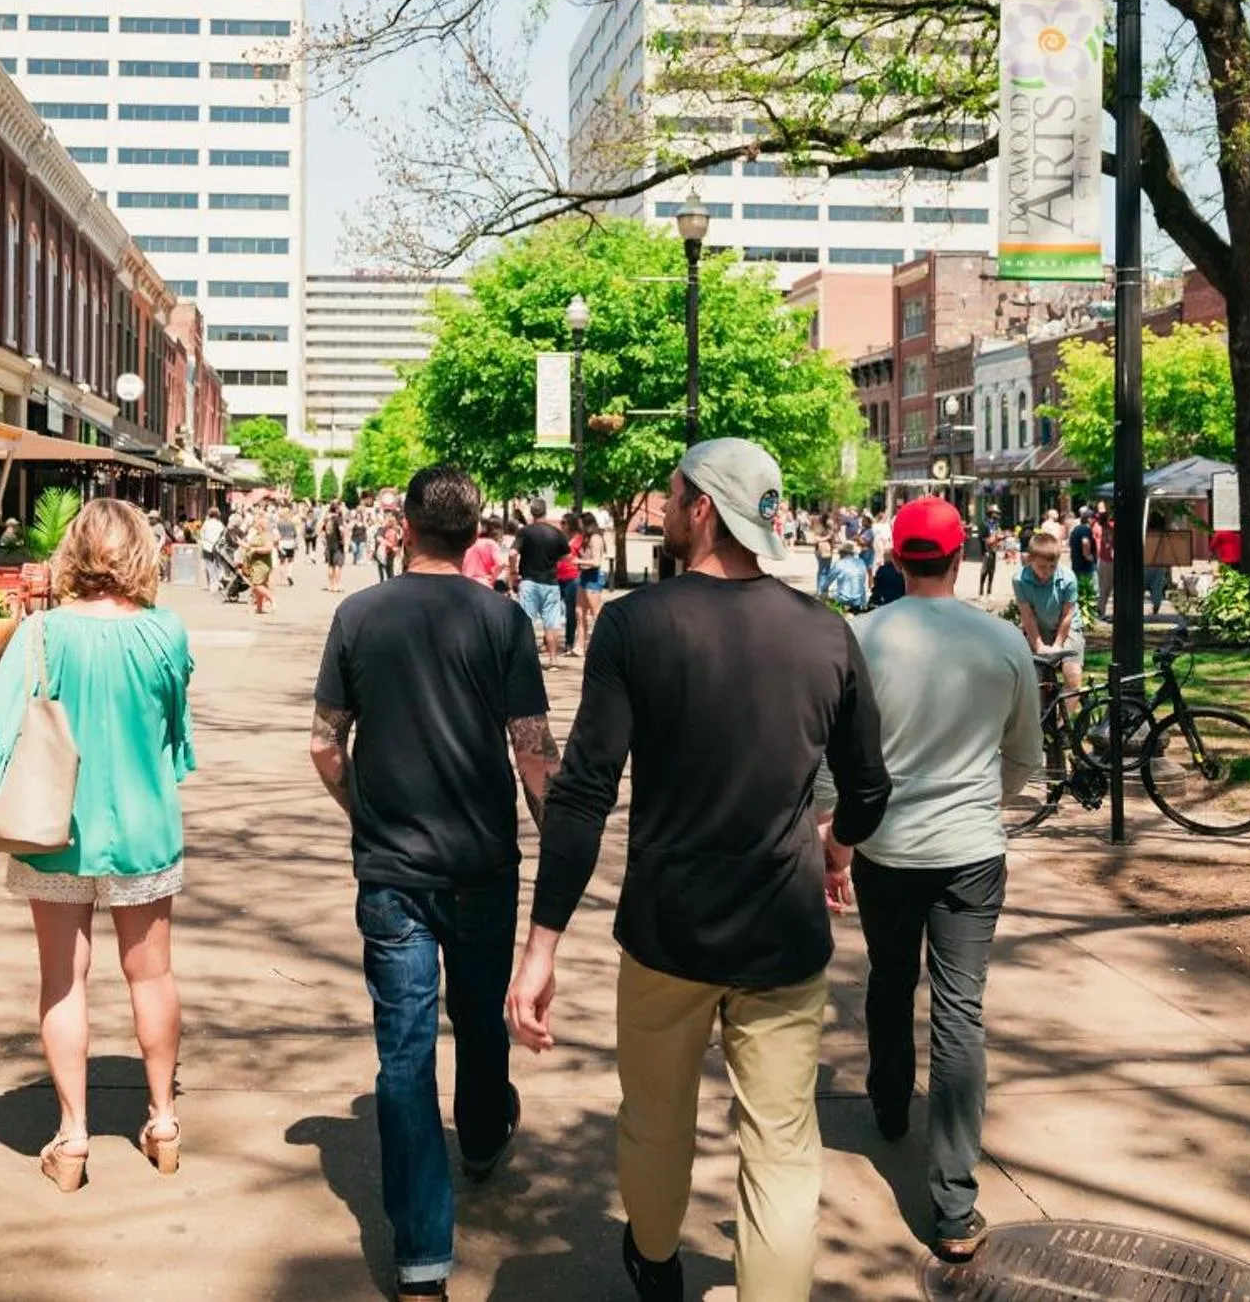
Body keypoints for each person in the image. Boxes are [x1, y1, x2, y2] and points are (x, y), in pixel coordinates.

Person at [506, 439, 891, 1302]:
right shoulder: (827, 635)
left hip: (666, 932)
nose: (668, 508)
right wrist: (838, 846)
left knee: (654, 1122)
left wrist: (541, 946)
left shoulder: (638, 625)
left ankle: (655, 1259)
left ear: (703, 509)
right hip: (783, 935)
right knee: (783, 1146)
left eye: (674, 495)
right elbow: (869, 787)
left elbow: (583, 795)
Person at [310, 465, 556, 1299]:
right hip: (483, 860)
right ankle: (483, 1136)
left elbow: (323, 745)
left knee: (403, 1055)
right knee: (480, 1018)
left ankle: (421, 1258)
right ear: (476, 533)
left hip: (391, 869)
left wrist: (358, 809)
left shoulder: (358, 615)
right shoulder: (504, 620)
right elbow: (532, 749)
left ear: (406, 527)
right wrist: (558, 842)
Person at [821, 497, 1038, 1265]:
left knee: (888, 975)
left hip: (885, 845)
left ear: (896, 558)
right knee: (961, 1009)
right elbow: (1024, 759)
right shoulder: (1004, 640)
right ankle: (953, 1202)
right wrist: (984, 803)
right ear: (960, 555)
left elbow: (835, 754)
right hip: (972, 851)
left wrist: (835, 837)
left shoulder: (860, 636)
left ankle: (887, 1102)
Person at [0, 498, 197, 1190]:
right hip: (143, 826)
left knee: (63, 980)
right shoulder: (166, 633)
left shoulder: (39, 633)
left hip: (55, 829)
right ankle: (161, 1120)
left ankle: (72, 1139)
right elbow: (174, 733)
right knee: (151, 975)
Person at [1012, 531, 1084, 701]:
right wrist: (1038, 646)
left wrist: (1058, 645)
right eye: (1042, 567)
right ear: (1030, 560)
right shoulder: (1020, 580)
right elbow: (1027, 616)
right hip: (1038, 626)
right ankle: (1041, 721)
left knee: (1073, 676)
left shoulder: (1068, 579)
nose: (1047, 572)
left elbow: (1067, 615)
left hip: (1067, 627)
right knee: (1033, 679)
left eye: (1052, 567)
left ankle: (1063, 724)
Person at [509, 499, 571, 666]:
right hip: (551, 583)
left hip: (529, 581)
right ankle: (553, 659)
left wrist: (513, 572)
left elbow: (513, 553)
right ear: (545, 512)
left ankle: (525, 659)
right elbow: (567, 557)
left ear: (532, 512)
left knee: (526, 622)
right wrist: (553, 560)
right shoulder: (556, 533)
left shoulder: (525, 532)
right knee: (551, 623)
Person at [578, 512, 611, 648]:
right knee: (579, 612)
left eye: (580, 523)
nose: (578, 525)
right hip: (585, 575)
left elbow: (596, 561)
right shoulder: (587, 538)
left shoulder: (595, 538)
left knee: (595, 613)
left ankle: (602, 643)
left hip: (593, 576)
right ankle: (580, 645)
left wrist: (577, 560)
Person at [241, 505, 279, 616]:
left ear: (261, 526)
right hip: (256, 563)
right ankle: (259, 608)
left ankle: (272, 599)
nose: (254, 525)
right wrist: (243, 545)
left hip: (261, 564)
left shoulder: (266, 535)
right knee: (259, 585)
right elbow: (251, 547)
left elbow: (268, 548)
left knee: (256, 585)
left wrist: (255, 550)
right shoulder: (258, 534)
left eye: (256, 524)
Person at [556, 511, 586, 653]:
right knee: (553, 610)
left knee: (570, 611)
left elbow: (584, 556)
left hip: (572, 577)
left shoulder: (579, 539)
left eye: (563, 522)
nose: (561, 525)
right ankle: (551, 641)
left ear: (570, 525)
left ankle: (569, 641)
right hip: (559, 577)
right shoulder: (563, 538)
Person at [1066, 507, 1100, 623]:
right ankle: (1091, 616)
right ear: (1089, 519)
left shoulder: (1076, 529)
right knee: (1092, 590)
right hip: (1086, 566)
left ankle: (1080, 614)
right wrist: (1089, 556)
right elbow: (1085, 542)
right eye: (1094, 519)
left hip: (1076, 565)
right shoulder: (1085, 530)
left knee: (1079, 591)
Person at [1142, 507, 1175, 618]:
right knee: (1157, 588)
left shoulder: (1146, 533)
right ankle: (1155, 609)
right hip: (1159, 564)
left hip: (1146, 562)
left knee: (1141, 585)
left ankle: (1138, 610)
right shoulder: (1164, 533)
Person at [197, 507, 227, 594]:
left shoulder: (206, 523)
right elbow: (223, 537)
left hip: (207, 547)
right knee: (218, 566)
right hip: (217, 548)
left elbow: (202, 535)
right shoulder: (220, 524)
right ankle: (218, 584)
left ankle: (213, 585)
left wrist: (203, 541)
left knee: (209, 567)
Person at [323, 501, 349, 593]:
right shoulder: (338, 518)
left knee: (330, 565)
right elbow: (342, 530)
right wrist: (344, 540)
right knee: (338, 565)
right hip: (338, 544)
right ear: (337, 509)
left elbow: (321, 530)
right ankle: (336, 585)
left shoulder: (327, 519)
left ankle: (330, 585)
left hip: (329, 544)